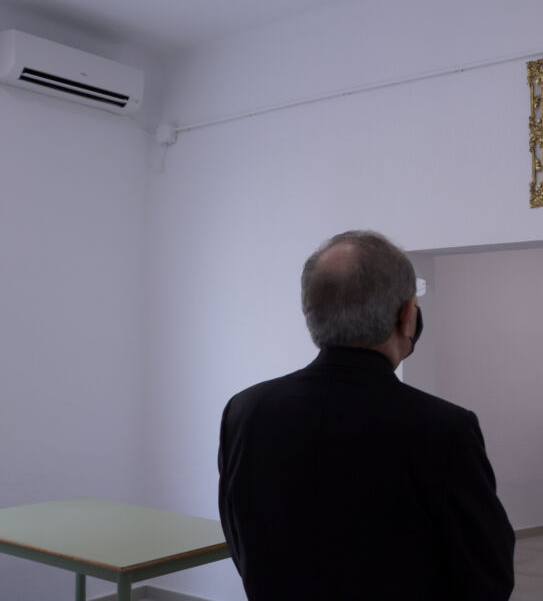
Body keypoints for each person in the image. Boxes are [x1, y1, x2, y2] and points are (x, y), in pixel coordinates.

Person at [218, 230, 515, 600]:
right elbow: (487, 574)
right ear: (407, 316)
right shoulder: (443, 428)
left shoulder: (246, 411)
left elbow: (240, 538)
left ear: (311, 315)